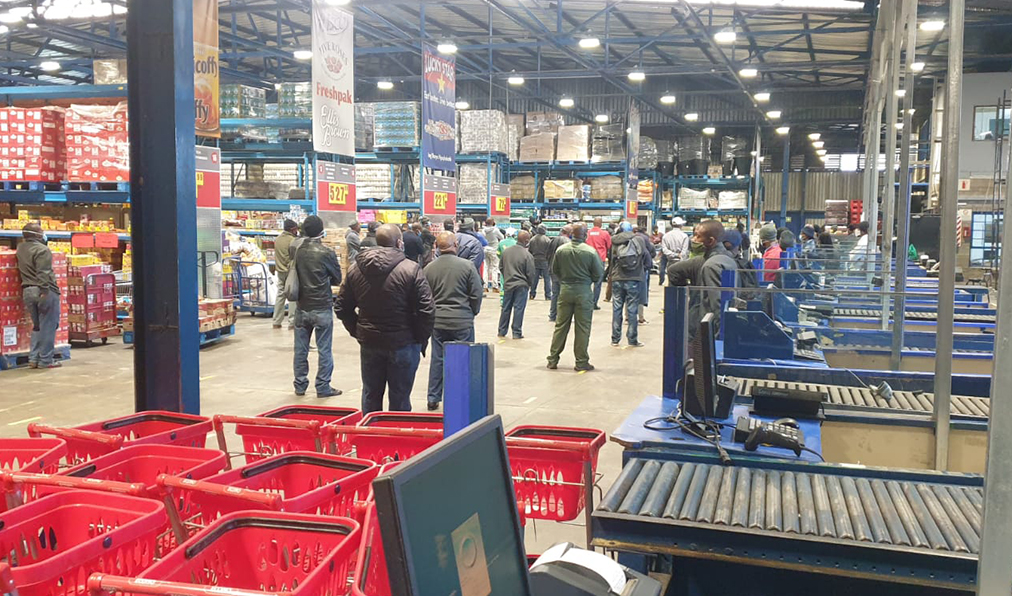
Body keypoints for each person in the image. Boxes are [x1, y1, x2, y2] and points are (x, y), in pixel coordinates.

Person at [335, 223, 435, 413]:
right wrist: (419, 338)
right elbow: (427, 310)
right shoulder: (411, 269)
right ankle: (396, 431)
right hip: (403, 342)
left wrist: (359, 330)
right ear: (399, 243)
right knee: (400, 397)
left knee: (371, 394)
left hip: (370, 343)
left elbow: (341, 307)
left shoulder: (356, 269)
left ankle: (369, 429)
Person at [423, 231, 483, 411]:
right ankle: (460, 396)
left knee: (438, 359)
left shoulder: (428, 269)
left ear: (436, 247)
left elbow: (424, 297)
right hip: (462, 321)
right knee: (463, 360)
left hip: (438, 321)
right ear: (456, 245)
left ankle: (433, 398)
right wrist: (471, 312)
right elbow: (476, 294)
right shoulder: (467, 266)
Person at [291, 215, 342, 398]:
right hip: (322, 306)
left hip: (301, 306)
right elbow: (337, 278)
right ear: (321, 231)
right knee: (324, 349)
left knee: (300, 350)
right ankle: (323, 386)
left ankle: (300, 385)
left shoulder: (296, 250)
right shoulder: (326, 253)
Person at [547, 223, 604, 372]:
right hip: (583, 291)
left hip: (565, 290)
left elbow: (555, 270)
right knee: (582, 328)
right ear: (585, 235)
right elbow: (598, 274)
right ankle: (581, 361)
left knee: (560, 326)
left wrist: (565, 280)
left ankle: (552, 359)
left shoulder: (561, 250)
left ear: (572, 234)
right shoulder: (590, 252)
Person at [666, 220, 738, 334]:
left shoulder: (710, 266)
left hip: (704, 328)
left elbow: (717, 304)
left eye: (698, 236)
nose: (693, 239)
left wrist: (720, 334)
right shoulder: (728, 258)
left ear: (710, 241)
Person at [16, 223, 61, 369]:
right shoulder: (42, 250)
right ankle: (46, 360)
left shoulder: (20, 248)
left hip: (27, 291)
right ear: (37, 234)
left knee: (37, 326)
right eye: (41, 231)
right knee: (48, 326)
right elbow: (44, 273)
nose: (43, 233)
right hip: (43, 291)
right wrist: (45, 291)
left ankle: (33, 359)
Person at [608, 222, 650, 348]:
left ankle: (615, 339)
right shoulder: (639, 240)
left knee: (617, 308)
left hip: (617, 278)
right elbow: (647, 258)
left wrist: (610, 276)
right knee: (632, 310)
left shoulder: (614, 241)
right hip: (634, 278)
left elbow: (611, 261)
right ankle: (632, 339)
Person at [498, 229, 536, 339]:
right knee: (519, 309)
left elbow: (501, 267)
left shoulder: (506, 252)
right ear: (527, 241)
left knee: (505, 308)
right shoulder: (527, 255)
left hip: (508, 283)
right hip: (521, 285)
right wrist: (529, 284)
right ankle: (516, 332)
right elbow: (531, 273)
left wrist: (507, 277)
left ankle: (501, 331)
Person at [272, 219, 299, 330]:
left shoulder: (277, 239)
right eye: (296, 229)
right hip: (290, 271)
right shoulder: (293, 241)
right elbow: (295, 257)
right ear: (292, 229)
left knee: (280, 295)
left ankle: (276, 321)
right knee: (292, 295)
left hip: (280, 271)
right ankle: (292, 322)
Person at [546, 224, 572, 322]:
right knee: (564, 295)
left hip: (553, 270)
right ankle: (562, 316)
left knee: (555, 294)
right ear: (569, 232)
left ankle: (552, 315)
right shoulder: (568, 242)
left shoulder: (553, 240)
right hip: (563, 272)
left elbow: (548, 255)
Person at [586, 217, 611, 310]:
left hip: (588, 258)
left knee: (587, 281)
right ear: (601, 224)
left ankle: (586, 301)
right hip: (600, 259)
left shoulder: (587, 233)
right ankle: (594, 303)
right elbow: (609, 245)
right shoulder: (605, 233)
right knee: (598, 283)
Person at [634, 225, 656, 324]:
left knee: (629, 297)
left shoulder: (630, 246)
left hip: (629, 275)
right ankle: (641, 318)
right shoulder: (645, 246)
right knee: (641, 297)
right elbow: (649, 264)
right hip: (642, 275)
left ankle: (627, 317)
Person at [661, 217, 689, 285]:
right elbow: (684, 251)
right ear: (681, 225)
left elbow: (665, 250)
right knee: (681, 283)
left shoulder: (665, 236)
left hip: (670, 262)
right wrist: (679, 255)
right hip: (681, 262)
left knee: (671, 283)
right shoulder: (684, 236)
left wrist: (673, 254)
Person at [528, 225, 552, 300]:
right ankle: (548, 295)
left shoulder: (532, 239)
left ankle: (532, 294)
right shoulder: (547, 240)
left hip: (535, 260)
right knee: (547, 279)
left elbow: (529, 251)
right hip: (545, 260)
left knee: (534, 279)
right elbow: (550, 252)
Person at [482, 218, 504, 292]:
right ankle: (495, 286)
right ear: (493, 222)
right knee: (494, 267)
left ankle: (485, 286)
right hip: (494, 250)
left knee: (486, 267)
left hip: (485, 249)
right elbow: (502, 237)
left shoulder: (483, 230)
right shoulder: (495, 230)